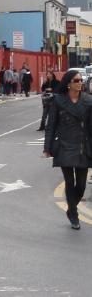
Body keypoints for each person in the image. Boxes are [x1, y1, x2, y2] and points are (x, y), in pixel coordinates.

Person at [43, 70, 92, 230]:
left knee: (82, 185)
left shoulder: (88, 101)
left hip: (82, 146)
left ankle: (71, 208)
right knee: (69, 182)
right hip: (64, 145)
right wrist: (47, 148)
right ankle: (74, 215)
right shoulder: (58, 101)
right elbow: (51, 126)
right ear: (68, 83)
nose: (80, 83)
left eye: (81, 80)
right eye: (77, 80)